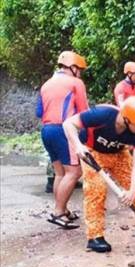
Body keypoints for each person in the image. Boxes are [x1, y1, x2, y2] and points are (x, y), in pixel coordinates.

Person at [63, 96, 135, 253]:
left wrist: (132, 190)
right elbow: (69, 124)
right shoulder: (102, 115)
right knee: (96, 189)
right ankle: (95, 237)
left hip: (119, 154)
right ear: (127, 119)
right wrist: (78, 146)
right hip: (92, 152)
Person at [37, 50, 89, 229]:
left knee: (60, 173)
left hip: (47, 130)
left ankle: (62, 209)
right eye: (79, 69)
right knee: (74, 173)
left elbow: (39, 112)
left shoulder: (46, 84)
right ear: (72, 67)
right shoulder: (76, 83)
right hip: (63, 130)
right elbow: (84, 113)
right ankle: (58, 212)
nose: (80, 72)